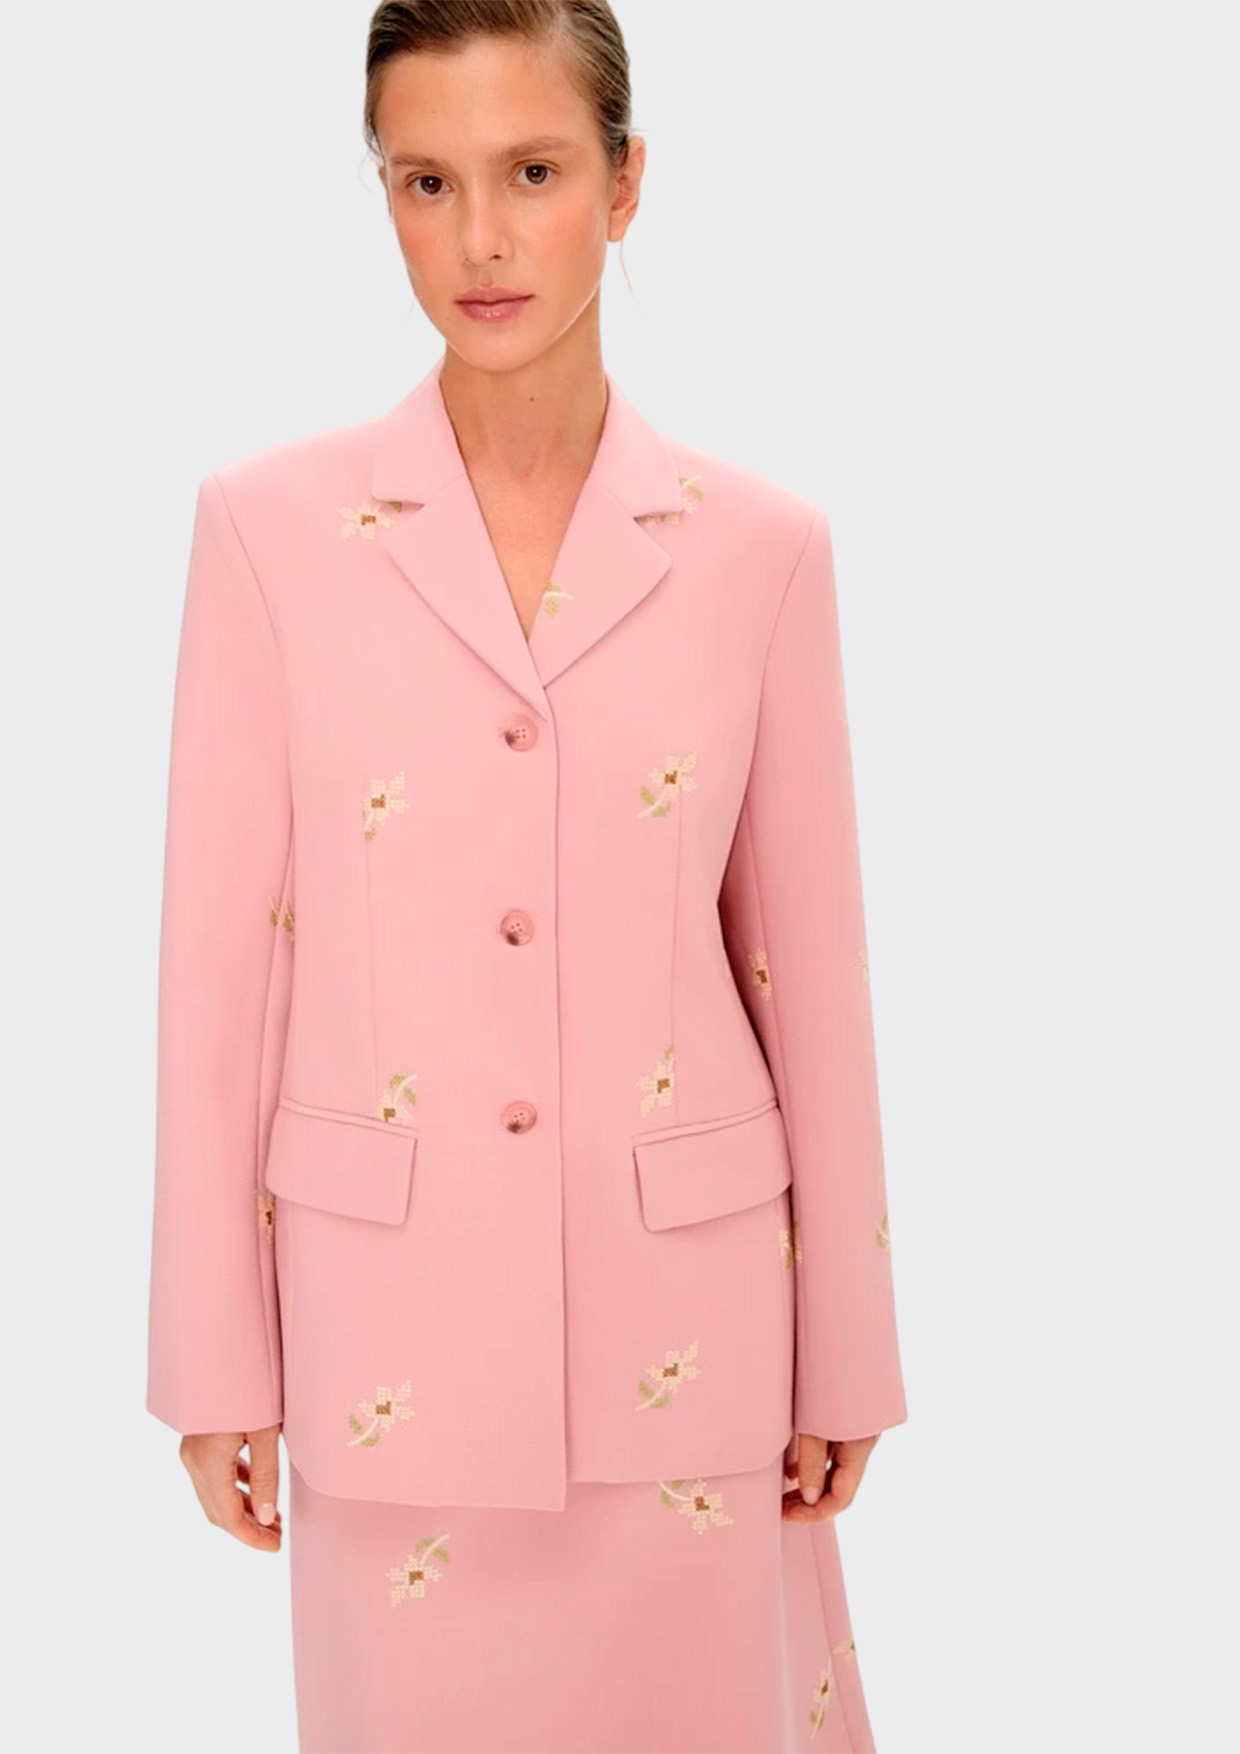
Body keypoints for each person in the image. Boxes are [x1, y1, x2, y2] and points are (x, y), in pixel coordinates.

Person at [145, 3, 908, 1750]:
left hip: (689, 1341)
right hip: (390, 1344)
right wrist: (213, 1357)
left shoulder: (761, 550)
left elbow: (810, 973)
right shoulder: (267, 534)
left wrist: (848, 1342)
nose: (481, 237)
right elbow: (218, 973)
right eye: (427, 181)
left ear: (626, 185)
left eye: (535, 173)